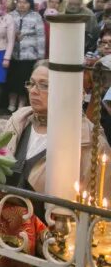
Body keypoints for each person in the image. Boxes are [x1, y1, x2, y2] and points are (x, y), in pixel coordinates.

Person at [6, 62, 110, 197]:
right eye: (31, 83)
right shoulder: (18, 121)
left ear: (69, 91)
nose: (33, 91)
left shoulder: (91, 141)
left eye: (44, 85)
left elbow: (99, 203)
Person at [8, 0, 45, 113]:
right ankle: (11, 104)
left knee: (25, 82)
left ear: (30, 4)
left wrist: (41, 56)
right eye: (19, 2)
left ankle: (22, 105)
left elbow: (41, 37)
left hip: (29, 55)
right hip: (13, 55)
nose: (22, 5)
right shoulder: (10, 15)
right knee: (12, 81)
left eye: (25, 2)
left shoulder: (36, 16)